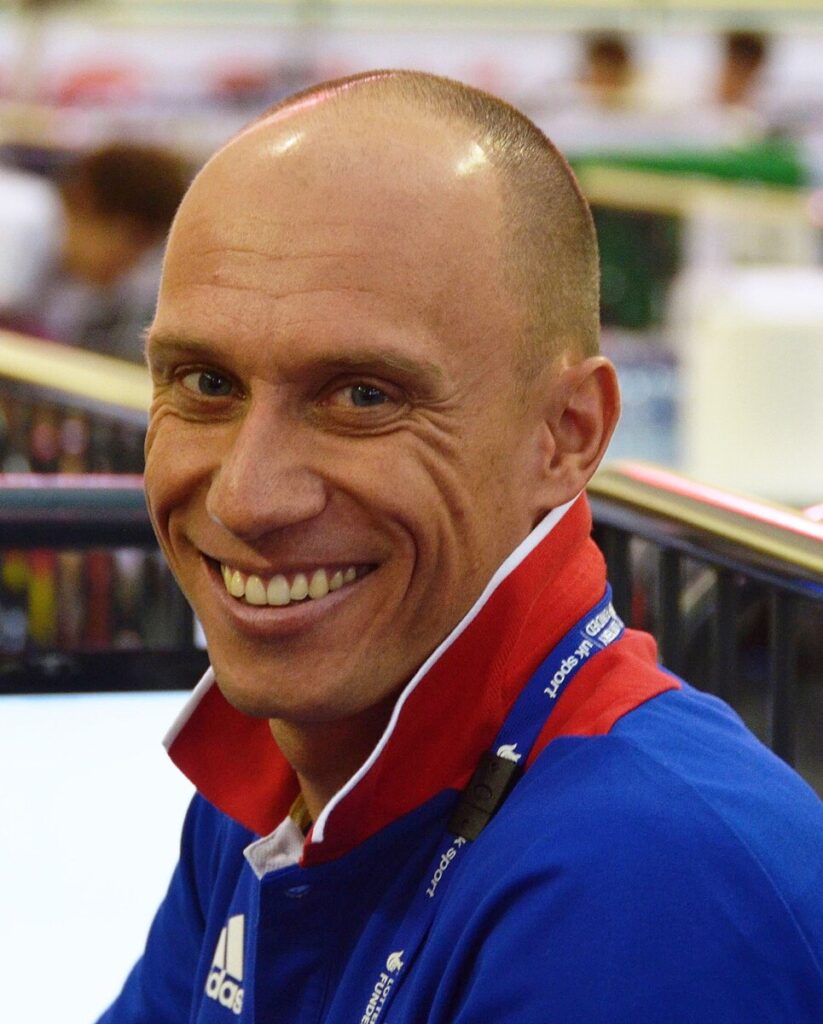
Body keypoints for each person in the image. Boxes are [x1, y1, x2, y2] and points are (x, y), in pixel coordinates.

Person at [99, 70, 823, 1023]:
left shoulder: (649, 887)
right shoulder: (276, 768)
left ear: (564, 435)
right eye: (204, 383)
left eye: (363, 396)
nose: (246, 497)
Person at [0, 142, 189, 362]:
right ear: (90, 205)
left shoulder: (74, 281)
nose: (130, 264)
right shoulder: (17, 222)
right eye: (133, 243)